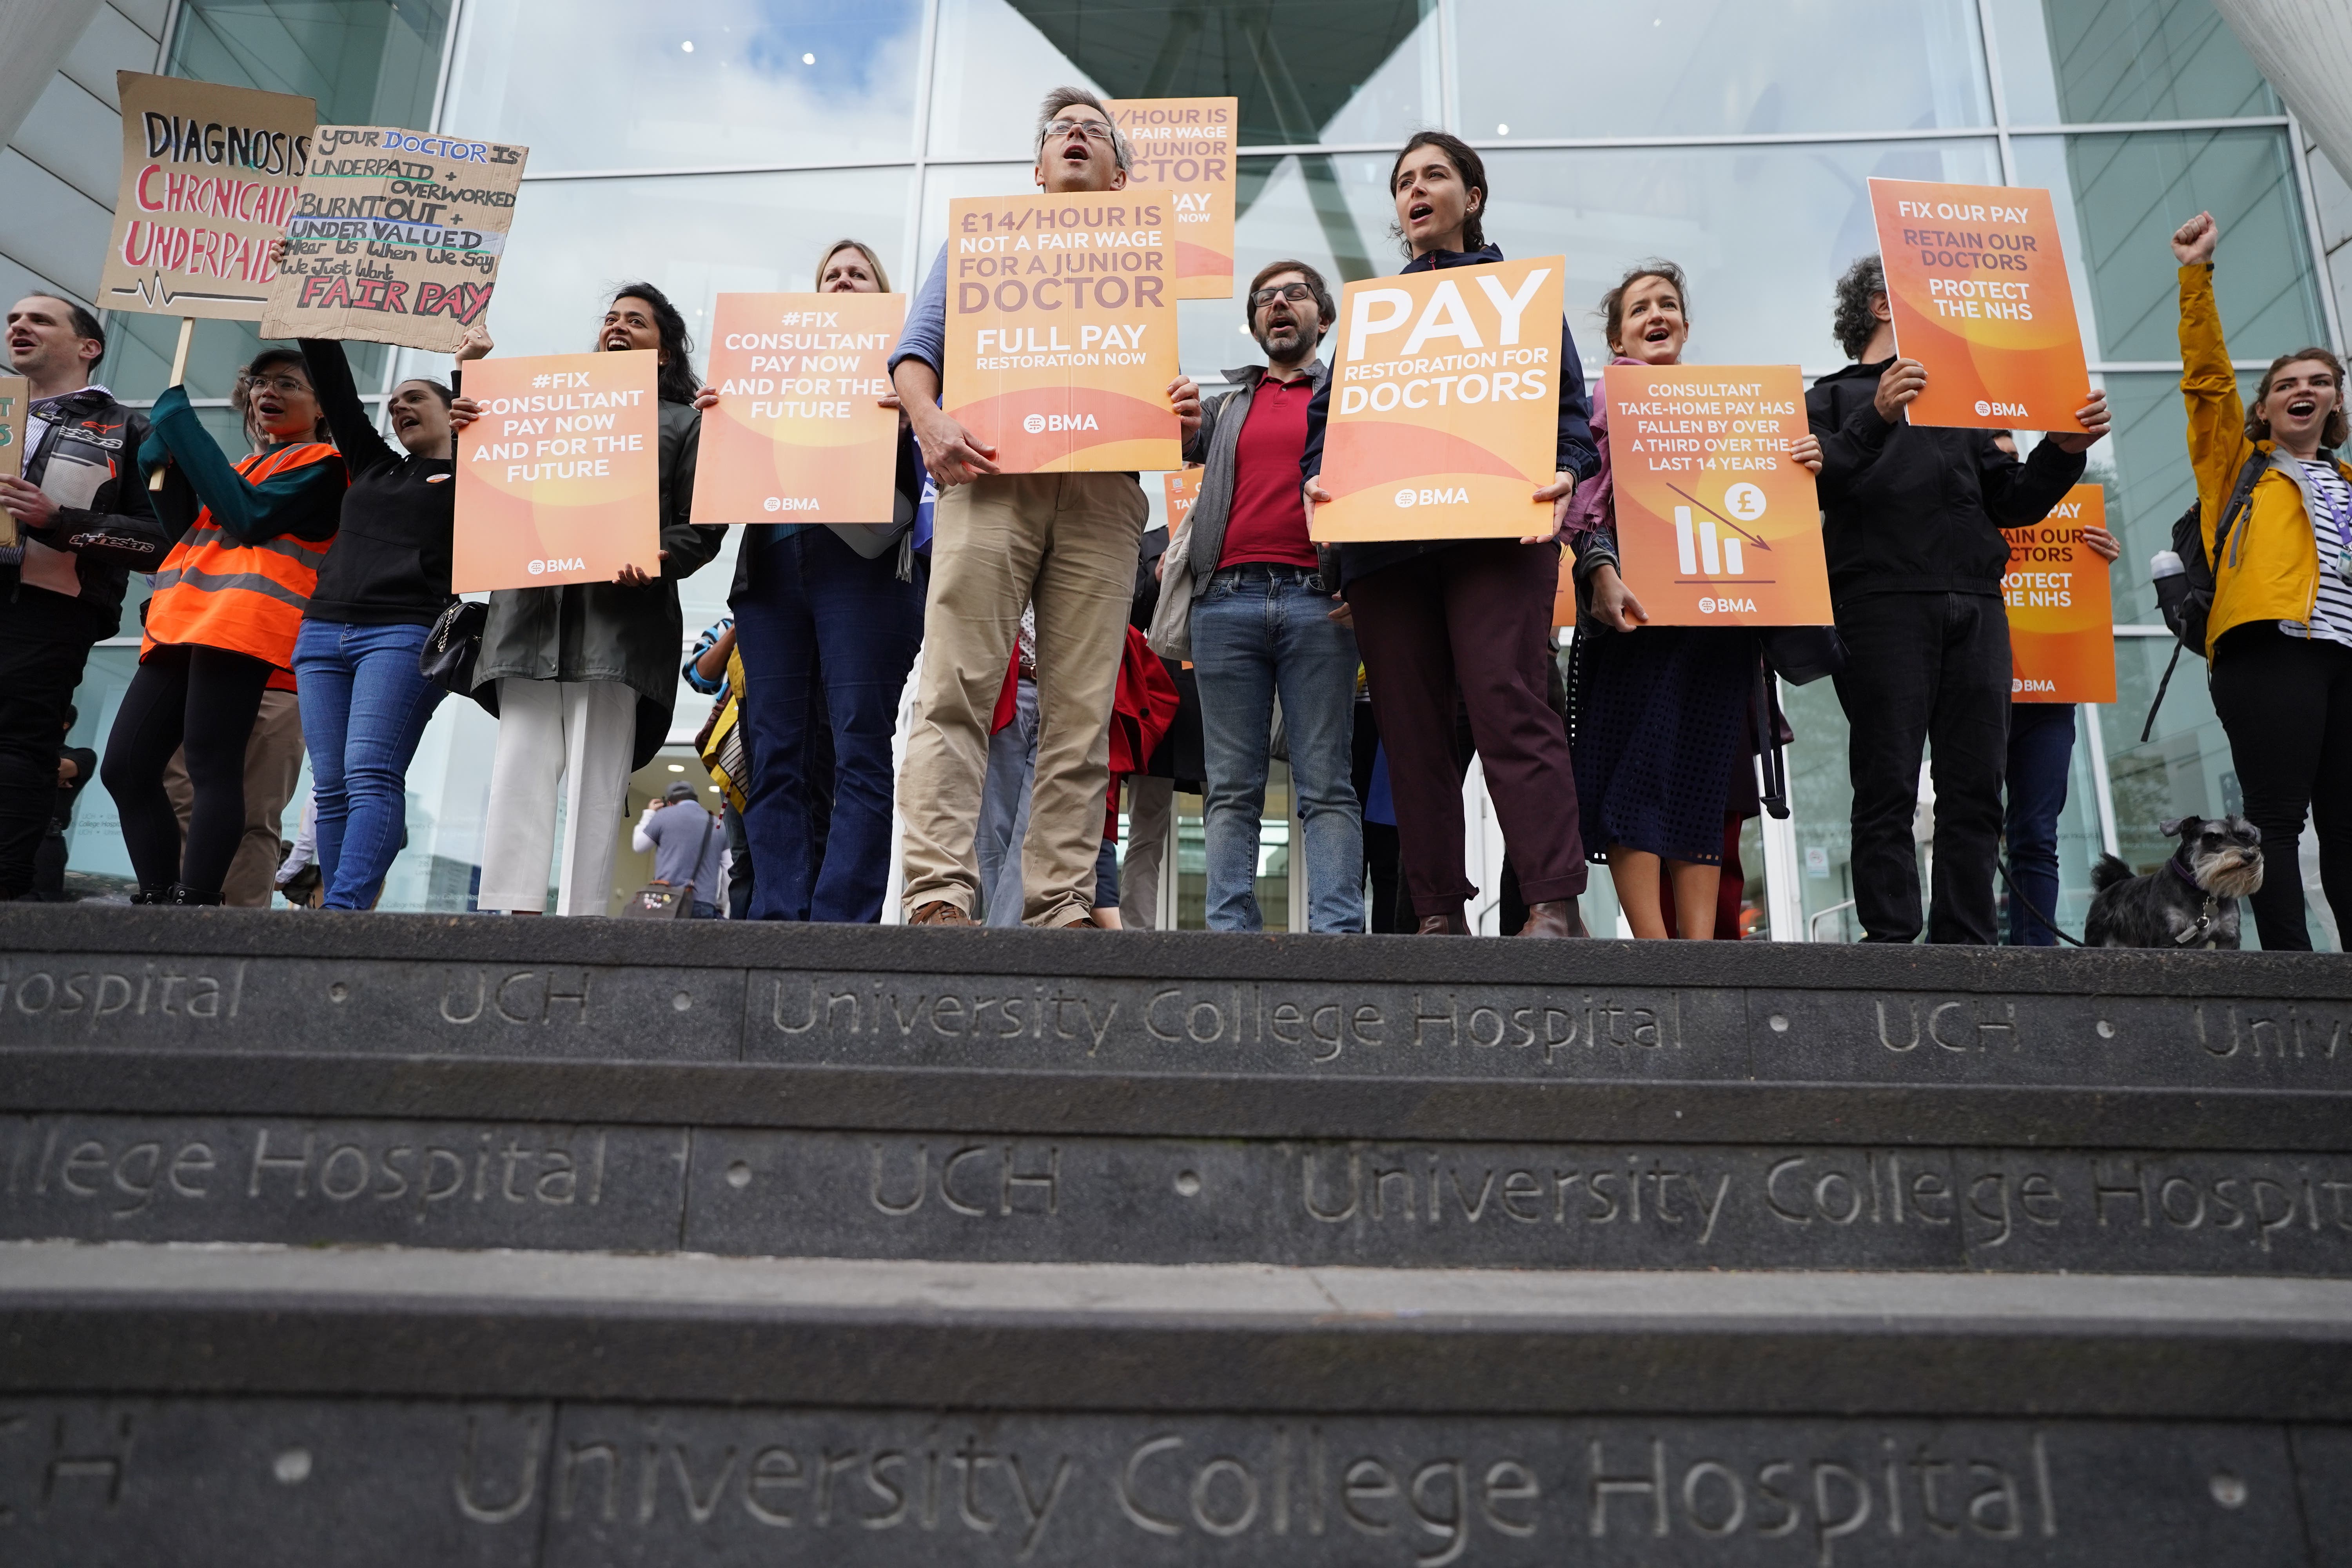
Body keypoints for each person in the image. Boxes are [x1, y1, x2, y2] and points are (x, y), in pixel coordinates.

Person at [887, 87, 1201, 928]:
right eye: (1061, 130)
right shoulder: (982, 244)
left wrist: (1181, 407)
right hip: (989, 478)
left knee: (1082, 705)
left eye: (1094, 133)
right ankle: (938, 895)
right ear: (1037, 166)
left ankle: (1058, 901)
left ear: (1119, 175)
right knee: (956, 684)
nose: (1075, 137)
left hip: (1104, 496)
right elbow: (914, 356)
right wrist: (930, 421)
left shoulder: (1146, 263)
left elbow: (1161, 395)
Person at [1302, 131, 1595, 937]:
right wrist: (1315, 487)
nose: (1415, 190)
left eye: (1434, 175)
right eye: (1403, 182)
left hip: (1498, 540)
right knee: (1411, 732)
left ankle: (1552, 904)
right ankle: (1435, 914)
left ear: (1474, 195)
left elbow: (1573, 422)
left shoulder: (1519, 295)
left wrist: (1567, 473)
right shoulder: (1374, 314)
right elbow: (1323, 428)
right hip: (1388, 552)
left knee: (1510, 705)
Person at [1809, 254, 2108, 944]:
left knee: (1976, 789)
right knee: (1886, 781)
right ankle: (1888, 942)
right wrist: (1877, 416)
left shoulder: (1964, 406)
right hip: (1880, 602)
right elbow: (1817, 488)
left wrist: (2062, 450)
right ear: (1882, 307)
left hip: (1978, 602)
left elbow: (2013, 503)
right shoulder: (1826, 397)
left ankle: (1966, 945)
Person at [1567, 261, 1823, 938]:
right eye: (1640, 309)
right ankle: (1655, 949)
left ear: (1684, 324)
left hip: (1716, 623)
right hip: (1639, 619)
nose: (1657, 315)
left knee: (1704, 780)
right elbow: (1586, 508)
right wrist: (1601, 570)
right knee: (1634, 780)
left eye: (1668, 305)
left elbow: (1764, 512)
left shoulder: (1733, 406)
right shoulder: (1609, 399)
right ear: (1618, 340)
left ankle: (1703, 951)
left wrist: (1797, 466)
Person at [460, 284, 722, 916]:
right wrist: (469, 395)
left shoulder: (686, 424)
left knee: (597, 783)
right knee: (518, 772)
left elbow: (703, 526)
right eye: (611, 317)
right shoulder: (541, 412)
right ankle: (510, 913)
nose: (619, 326)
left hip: (619, 629)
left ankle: (582, 919)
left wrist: (659, 557)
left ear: (665, 354)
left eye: (637, 321)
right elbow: (490, 485)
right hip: (526, 621)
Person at [706, 239, 923, 924]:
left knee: (860, 743)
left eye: (859, 273)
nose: (843, 281)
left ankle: (841, 922)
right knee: (774, 750)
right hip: (772, 570)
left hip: (861, 567)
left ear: (881, 291)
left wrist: (911, 406)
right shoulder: (769, 372)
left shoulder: (912, 369)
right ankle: (776, 916)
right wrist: (720, 413)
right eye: (832, 274)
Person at [105, 348, 345, 905]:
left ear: (321, 409)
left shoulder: (326, 466)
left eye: (289, 384)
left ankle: (195, 900)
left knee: (214, 769)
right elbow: (190, 530)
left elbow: (249, 518)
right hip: (181, 628)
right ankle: (160, 896)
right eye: (262, 382)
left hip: (241, 628)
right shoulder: (243, 467)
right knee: (126, 766)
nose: (270, 392)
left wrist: (181, 429)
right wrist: (160, 469)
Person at [2172, 209, 2352, 948]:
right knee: (2278, 818)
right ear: (2268, 407)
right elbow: (2208, 381)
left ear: (2336, 401)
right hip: (2269, 647)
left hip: (2347, 656)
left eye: (2319, 382)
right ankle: (2289, 967)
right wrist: (2195, 275)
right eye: (2285, 385)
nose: (2301, 391)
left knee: (2347, 822)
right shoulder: (2238, 468)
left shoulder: (2346, 479)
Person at [1181, 259, 1363, 934]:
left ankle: (1339, 934)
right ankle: (1230, 936)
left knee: (1327, 786)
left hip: (1320, 601)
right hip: (1223, 603)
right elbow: (1166, 432)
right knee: (1230, 788)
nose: (1278, 304)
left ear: (1324, 316)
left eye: (1294, 294)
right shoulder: (1228, 405)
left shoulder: (1350, 397)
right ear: (1255, 322)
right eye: (1264, 299)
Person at [290, 325, 490, 909]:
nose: (400, 406)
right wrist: (305, 307)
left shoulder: (475, 475)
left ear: (450, 410)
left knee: (371, 772)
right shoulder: (374, 465)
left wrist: (467, 370)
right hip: (323, 632)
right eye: (394, 402)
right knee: (330, 788)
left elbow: (480, 443)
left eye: (415, 398)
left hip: (403, 633)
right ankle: (332, 906)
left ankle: (345, 910)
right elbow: (336, 386)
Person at [0, 296, 164, 902]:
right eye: (14, 319)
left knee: (18, 746)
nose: (19, 326)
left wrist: (60, 521)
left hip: (47, 610)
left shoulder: (131, 431)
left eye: (39, 319)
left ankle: (9, 899)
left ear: (89, 348)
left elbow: (166, 541)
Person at [1987, 431, 2120, 946]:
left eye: (2014, 460)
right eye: (1993, 458)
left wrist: (2093, 562)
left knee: (2038, 835)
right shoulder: (1955, 521)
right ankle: (1967, 946)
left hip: (2047, 700)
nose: (2006, 468)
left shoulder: (2056, 514)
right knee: (1971, 829)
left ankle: (2036, 956)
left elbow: (2070, 597)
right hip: (1977, 696)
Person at [682, 615, 756, 918]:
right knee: (743, 859)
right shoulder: (729, 626)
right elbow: (700, 676)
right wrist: (739, 627)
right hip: (740, 756)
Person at [634, 780, 726, 918]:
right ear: (695, 799)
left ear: (670, 803)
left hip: (667, 900)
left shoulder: (663, 816)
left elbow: (639, 846)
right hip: (704, 903)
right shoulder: (718, 824)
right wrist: (721, 904)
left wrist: (649, 814)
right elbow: (729, 871)